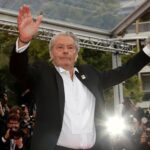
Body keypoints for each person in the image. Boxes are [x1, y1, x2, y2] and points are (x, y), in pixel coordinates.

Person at [9, 4, 150, 150]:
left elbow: (123, 72)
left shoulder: (90, 74)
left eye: (70, 48)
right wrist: (24, 40)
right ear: (51, 54)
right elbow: (18, 70)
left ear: (76, 54)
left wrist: (148, 51)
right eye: (60, 47)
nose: (65, 51)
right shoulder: (43, 73)